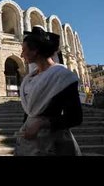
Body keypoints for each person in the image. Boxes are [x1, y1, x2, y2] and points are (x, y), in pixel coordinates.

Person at [14, 25, 83, 156]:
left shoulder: (62, 76)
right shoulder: (29, 78)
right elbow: (30, 112)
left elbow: (75, 117)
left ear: (35, 51)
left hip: (54, 142)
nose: (21, 54)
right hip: (29, 142)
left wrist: (42, 123)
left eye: (24, 50)